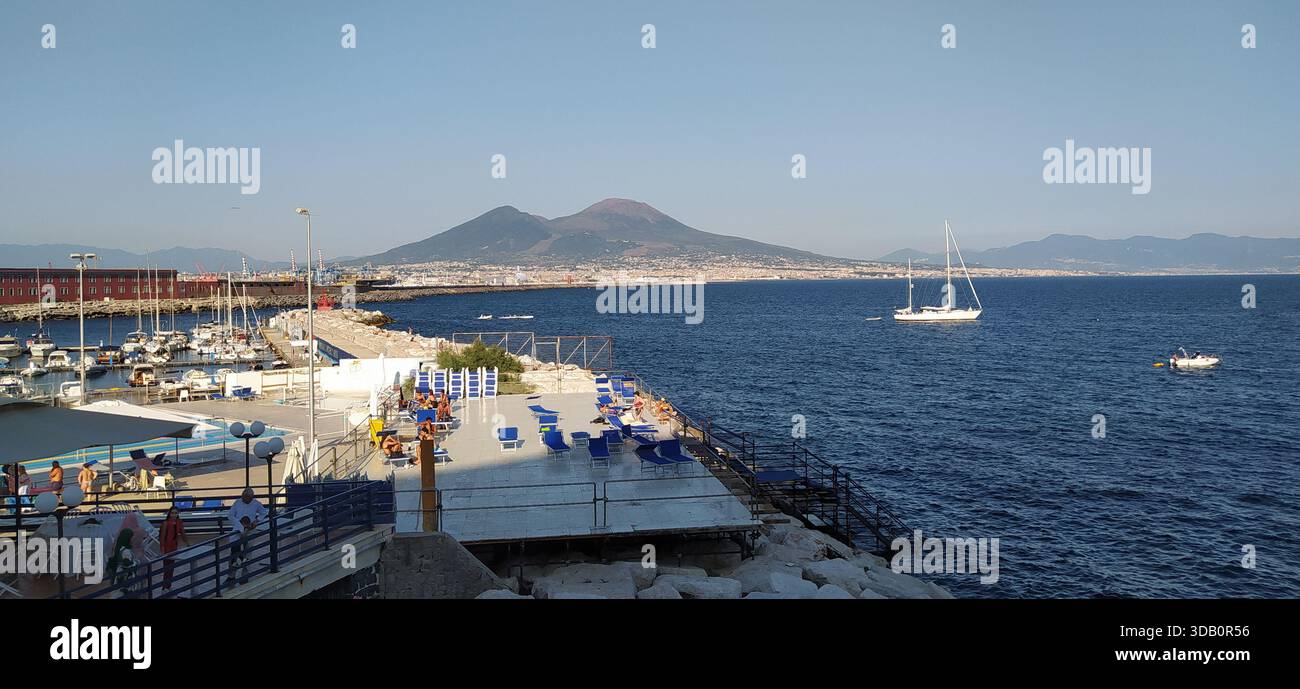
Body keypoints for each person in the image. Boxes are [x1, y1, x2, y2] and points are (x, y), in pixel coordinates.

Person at [226, 488, 267, 585]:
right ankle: (231, 576)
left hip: (250, 530)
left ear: (251, 497)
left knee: (248, 553)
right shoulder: (238, 503)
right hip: (237, 531)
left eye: (248, 498)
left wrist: (257, 521)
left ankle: (245, 575)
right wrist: (240, 526)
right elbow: (230, 515)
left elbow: (264, 512)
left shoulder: (256, 503)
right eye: (245, 498)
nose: (246, 500)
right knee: (234, 553)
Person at [159, 506, 189, 592]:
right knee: (167, 568)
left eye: (176, 513)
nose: (174, 515)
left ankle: (168, 586)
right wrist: (162, 549)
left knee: (171, 567)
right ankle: (164, 587)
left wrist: (187, 543)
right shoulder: (166, 523)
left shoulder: (179, 522)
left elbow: (183, 533)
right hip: (167, 547)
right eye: (172, 513)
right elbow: (162, 537)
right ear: (169, 513)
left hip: (174, 547)